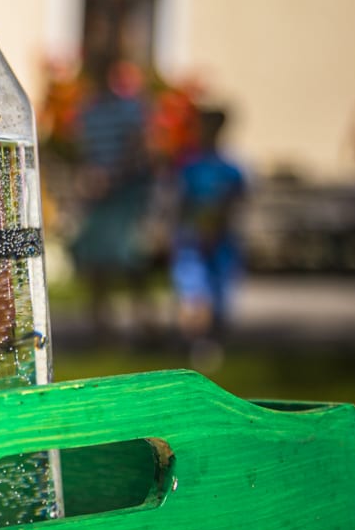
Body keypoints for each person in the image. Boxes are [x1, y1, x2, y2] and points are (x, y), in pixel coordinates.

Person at [68, 59, 155, 342]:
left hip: (125, 193)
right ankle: (100, 325)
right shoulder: (88, 111)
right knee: (97, 261)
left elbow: (138, 147)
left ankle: (144, 323)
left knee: (131, 257)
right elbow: (82, 151)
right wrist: (86, 179)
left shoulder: (130, 109)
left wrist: (112, 177)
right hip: (98, 196)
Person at [171, 108, 248, 359]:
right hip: (191, 239)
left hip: (221, 239)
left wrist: (216, 225)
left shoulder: (231, 167)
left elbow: (236, 201)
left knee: (219, 293)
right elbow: (179, 202)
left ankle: (212, 344)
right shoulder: (189, 165)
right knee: (192, 293)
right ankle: (194, 343)